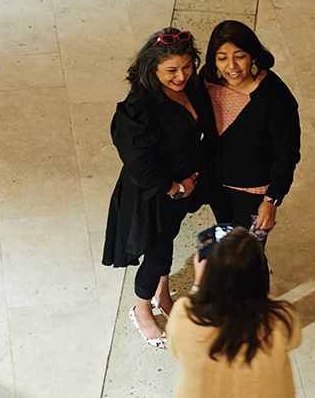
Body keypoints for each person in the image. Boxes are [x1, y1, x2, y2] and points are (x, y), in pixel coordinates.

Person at [103, 28, 216, 349]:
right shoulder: (138, 109)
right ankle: (141, 311)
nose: (181, 76)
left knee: (168, 238)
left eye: (187, 66)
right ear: (152, 69)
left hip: (182, 188)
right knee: (157, 253)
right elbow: (140, 166)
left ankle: (162, 294)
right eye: (171, 70)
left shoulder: (192, 87)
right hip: (152, 194)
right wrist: (177, 188)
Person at [167, 224, 301, 398]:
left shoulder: (184, 314)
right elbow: (293, 343)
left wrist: (198, 284)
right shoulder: (281, 318)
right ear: (259, 274)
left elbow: (175, 351)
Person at [199, 20, 301, 234]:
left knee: (251, 250)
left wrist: (273, 200)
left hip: (255, 194)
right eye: (222, 58)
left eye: (240, 56)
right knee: (225, 238)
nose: (231, 66)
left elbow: (287, 154)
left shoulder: (276, 98)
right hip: (217, 186)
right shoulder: (208, 82)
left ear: (253, 56)